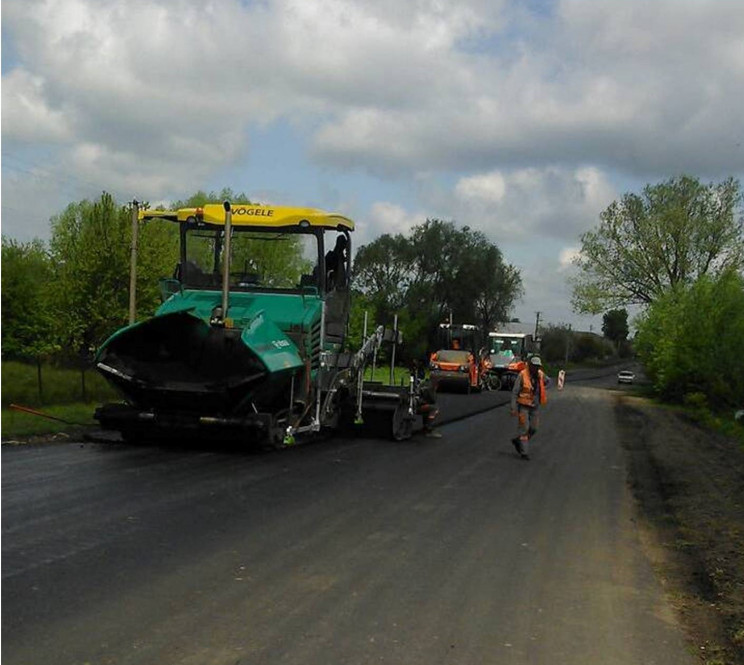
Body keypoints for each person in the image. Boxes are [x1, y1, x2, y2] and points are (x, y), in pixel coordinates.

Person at [510, 355, 547, 460]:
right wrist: (513, 407)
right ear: (530, 365)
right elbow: (515, 392)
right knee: (524, 428)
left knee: (534, 428)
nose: (536, 368)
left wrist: (543, 389)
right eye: (534, 366)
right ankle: (524, 452)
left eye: (538, 366)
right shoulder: (522, 375)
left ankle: (519, 441)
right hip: (523, 406)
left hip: (535, 406)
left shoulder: (540, 375)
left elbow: (548, 381)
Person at [411, 359, 441, 438]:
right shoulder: (430, 387)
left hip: (415, 402)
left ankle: (425, 427)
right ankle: (428, 429)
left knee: (427, 406)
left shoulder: (424, 383)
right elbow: (433, 400)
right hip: (416, 406)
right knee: (434, 408)